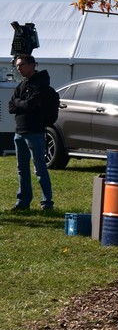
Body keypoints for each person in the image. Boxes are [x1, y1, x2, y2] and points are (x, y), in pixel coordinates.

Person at [8, 54, 55, 212]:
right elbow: (10, 106)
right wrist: (21, 103)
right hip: (19, 131)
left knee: (39, 168)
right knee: (22, 168)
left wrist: (19, 102)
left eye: (21, 65)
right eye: (17, 66)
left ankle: (47, 203)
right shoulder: (22, 84)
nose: (18, 68)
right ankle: (23, 202)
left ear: (32, 65)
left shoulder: (41, 84)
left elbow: (30, 105)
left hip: (35, 131)